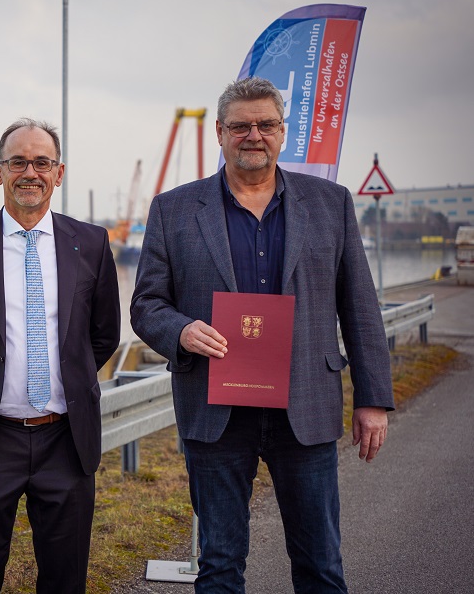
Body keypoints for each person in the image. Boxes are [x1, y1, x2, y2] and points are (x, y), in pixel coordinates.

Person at [130, 76, 394, 593]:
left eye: (266, 124)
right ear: (221, 134)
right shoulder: (174, 209)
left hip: (306, 405)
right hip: (216, 411)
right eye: (241, 126)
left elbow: (359, 306)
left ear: (282, 132)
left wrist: (373, 399)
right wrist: (181, 332)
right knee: (221, 565)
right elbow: (145, 305)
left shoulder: (331, 203)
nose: (255, 134)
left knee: (320, 563)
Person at [0, 118, 121, 593]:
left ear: (59, 172)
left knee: (65, 576)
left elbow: (104, 334)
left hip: (65, 439)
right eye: (18, 162)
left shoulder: (91, 243)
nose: (30, 172)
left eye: (42, 162)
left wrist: (68, 382)